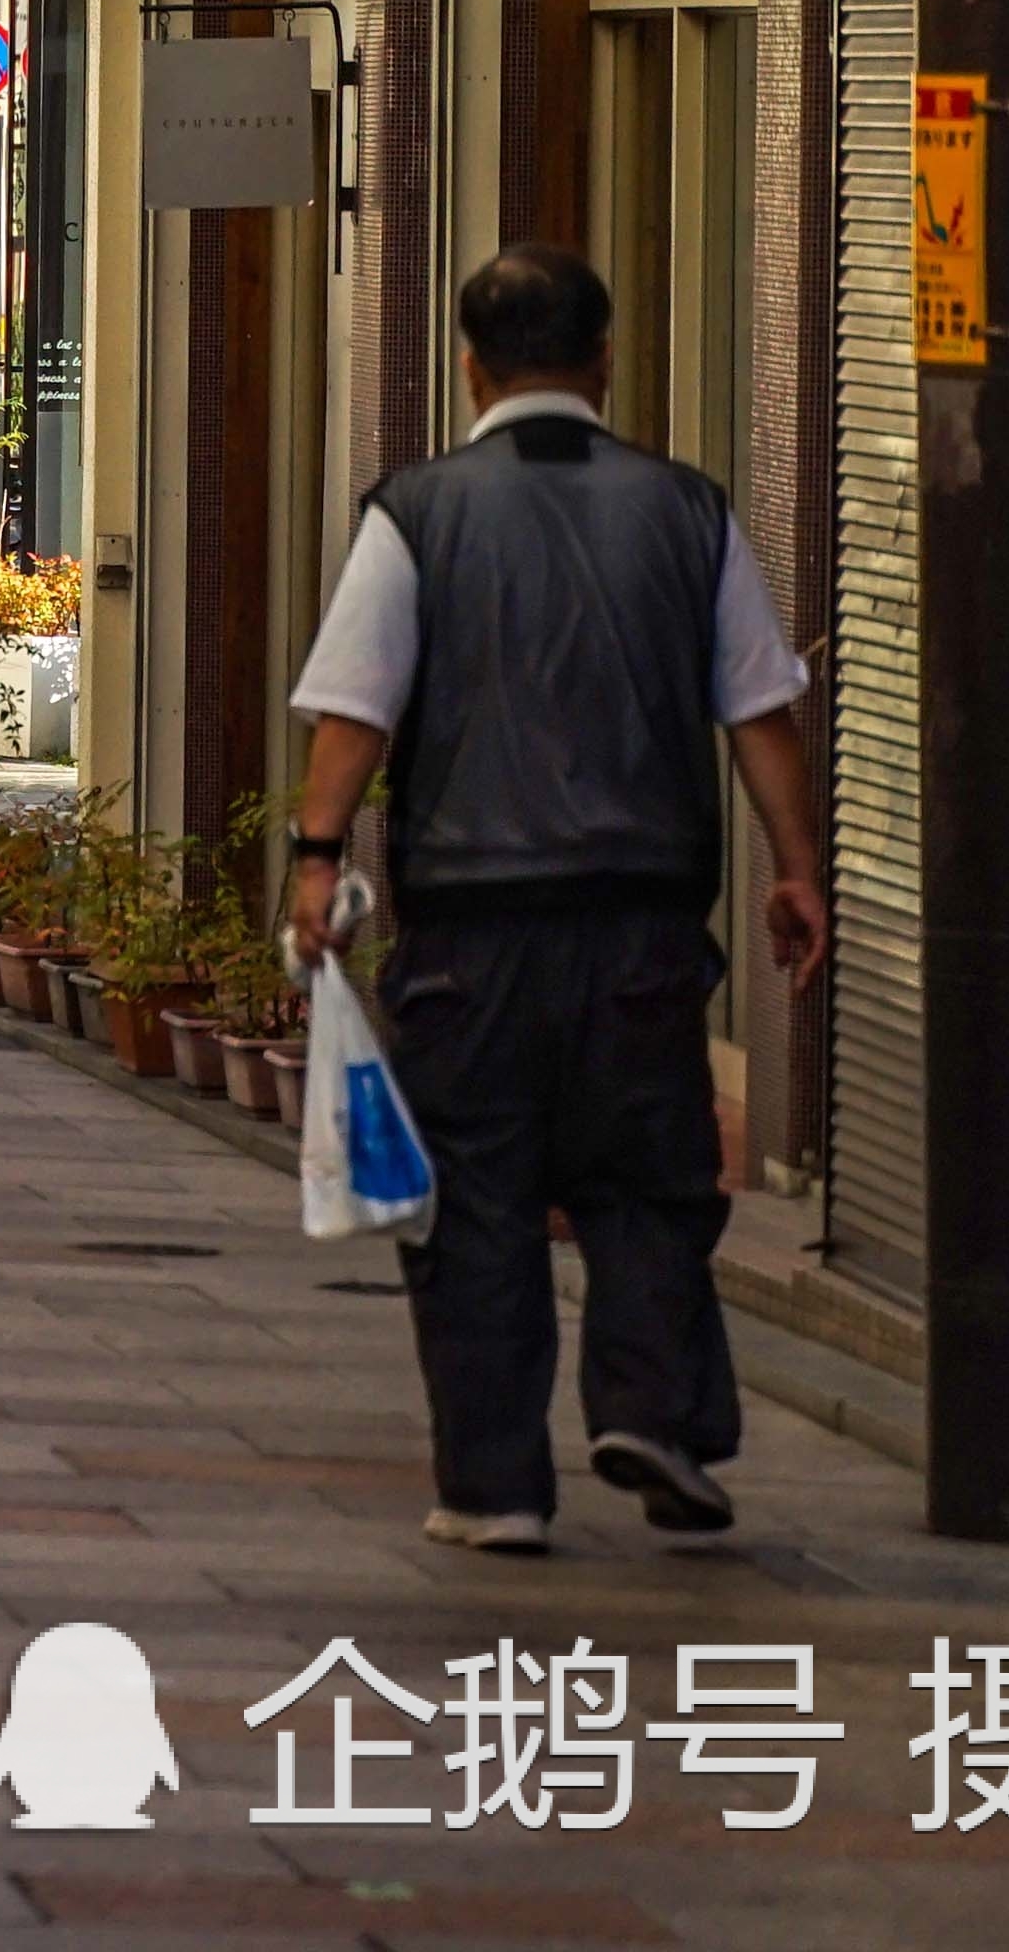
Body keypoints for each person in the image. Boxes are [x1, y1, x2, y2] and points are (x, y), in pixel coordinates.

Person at [277, 241, 832, 1556]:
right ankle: (651, 1409)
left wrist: (315, 861)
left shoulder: (416, 511)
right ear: (604, 360)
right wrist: (796, 865)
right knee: (650, 1179)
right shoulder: (689, 510)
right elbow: (759, 706)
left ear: (470, 368)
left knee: (473, 1198)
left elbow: (356, 710)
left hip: (472, 930)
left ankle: (495, 1488)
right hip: (643, 923)